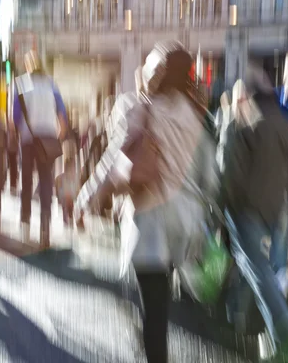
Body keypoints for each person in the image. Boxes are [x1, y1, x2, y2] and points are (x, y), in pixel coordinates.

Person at [75, 41, 218, 363]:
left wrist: (85, 199)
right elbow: (210, 178)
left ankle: (152, 353)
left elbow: (114, 162)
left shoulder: (140, 108)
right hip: (184, 225)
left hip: (150, 224)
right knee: (159, 306)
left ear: (158, 72)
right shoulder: (196, 114)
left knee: (152, 313)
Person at [221, 63, 288, 362]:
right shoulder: (285, 124)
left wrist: (226, 208)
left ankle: (287, 345)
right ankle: (239, 314)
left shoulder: (241, 123)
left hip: (248, 209)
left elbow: (228, 170)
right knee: (260, 268)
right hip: (281, 209)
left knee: (260, 273)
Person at [13, 51, 67, 248]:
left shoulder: (22, 83)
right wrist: (57, 136)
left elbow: (16, 117)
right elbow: (62, 116)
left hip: (29, 139)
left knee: (26, 183)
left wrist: (19, 133)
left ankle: (25, 227)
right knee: (46, 184)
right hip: (48, 138)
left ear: (28, 66)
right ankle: (45, 230)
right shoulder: (51, 84)